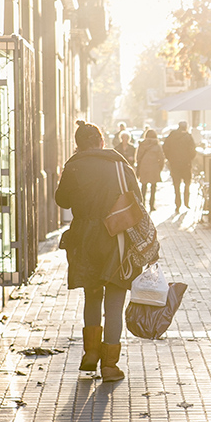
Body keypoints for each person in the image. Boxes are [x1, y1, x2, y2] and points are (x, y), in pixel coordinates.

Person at [55, 120, 141, 382]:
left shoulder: (74, 165)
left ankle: (91, 354)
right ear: (102, 142)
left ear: (78, 144)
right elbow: (137, 200)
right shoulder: (118, 164)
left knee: (92, 296)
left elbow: (62, 200)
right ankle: (110, 366)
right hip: (115, 239)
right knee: (114, 302)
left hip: (83, 238)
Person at [162, 121, 198, 212]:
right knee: (187, 184)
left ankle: (177, 204)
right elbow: (193, 150)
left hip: (174, 164)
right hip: (186, 164)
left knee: (176, 185)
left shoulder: (172, 135)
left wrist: (170, 158)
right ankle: (186, 202)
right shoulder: (188, 137)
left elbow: (165, 147)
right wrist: (189, 158)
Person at [135, 128, 164, 211]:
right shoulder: (157, 145)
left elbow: (138, 157)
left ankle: (142, 204)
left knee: (143, 186)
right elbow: (161, 158)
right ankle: (152, 205)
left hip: (143, 167)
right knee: (153, 187)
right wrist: (160, 168)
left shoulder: (142, 144)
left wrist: (139, 167)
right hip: (154, 167)